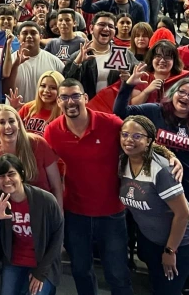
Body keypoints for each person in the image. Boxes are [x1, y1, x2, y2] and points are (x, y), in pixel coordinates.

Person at [45, 78, 183, 295]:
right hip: (75, 214)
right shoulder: (52, 131)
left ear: (85, 98)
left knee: (117, 274)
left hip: (112, 215)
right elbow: (42, 161)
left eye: (75, 96)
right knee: (81, 271)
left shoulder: (110, 123)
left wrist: (170, 155)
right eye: (64, 97)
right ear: (59, 102)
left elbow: (140, 138)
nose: (70, 102)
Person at [118, 115, 189, 294]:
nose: (128, 140)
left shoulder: (162, 170)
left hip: (179, 245)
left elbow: (183, 214)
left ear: (149, 140)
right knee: (157, 286)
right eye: (125, 134)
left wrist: (170, 251)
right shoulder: (123, 162)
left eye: (137, 136)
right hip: (150, 241)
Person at [0, 154, 64, 295]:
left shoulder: (45, 200)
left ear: (21, 175)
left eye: (11, 174)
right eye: (1, 176)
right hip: (15, 261)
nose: (6, 180)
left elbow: (58, 238)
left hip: (41, 262)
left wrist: (41, 272)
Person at [114, 63, 189, 193]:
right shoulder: (155, 110)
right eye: (181, 92)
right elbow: (120, 113)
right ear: (173, 92)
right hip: (149, 183)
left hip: (183, 186)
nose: (186, 97)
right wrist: (128, 85)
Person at [0, 104, 63, 208]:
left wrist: (59, 213)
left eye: (11, 121)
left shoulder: (38, 143)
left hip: (43, 210)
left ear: (18, 123)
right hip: (12, 217)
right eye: (2, 122)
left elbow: (56, 185)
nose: (8, 126)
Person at [63, 12, 137, 99]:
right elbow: (66, 86)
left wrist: (129, 81)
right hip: (88, 108)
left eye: (111, 26)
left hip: (114, 108)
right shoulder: (77, 56)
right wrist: (77, 64)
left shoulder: (125, 55)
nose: (106, 29)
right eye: (102, 24)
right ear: (91, 28)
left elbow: (140, 80)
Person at [4, 21, 64, 103]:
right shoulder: (9, 60)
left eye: (33, 33)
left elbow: (62, 90)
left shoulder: (54, 61)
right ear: (18, 37)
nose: (29, 36)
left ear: (41, 37)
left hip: (43, 114)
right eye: (25, 33)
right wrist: (15, 65)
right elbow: (5, 91)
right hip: (15, 113)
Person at [128, 40, 188, 105]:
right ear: (152, 59)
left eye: (167, 57)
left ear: (174, 61)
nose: (162, 60)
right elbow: (133, 105)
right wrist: (147, 91)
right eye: (158, 56)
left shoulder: (184, 77)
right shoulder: (142, 76)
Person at [11, 70, 64, 137]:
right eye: (43, 86)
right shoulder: (28, 107)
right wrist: (12, 110)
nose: (46, 90)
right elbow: (12, 131)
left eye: (53, 88)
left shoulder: (64, 113)